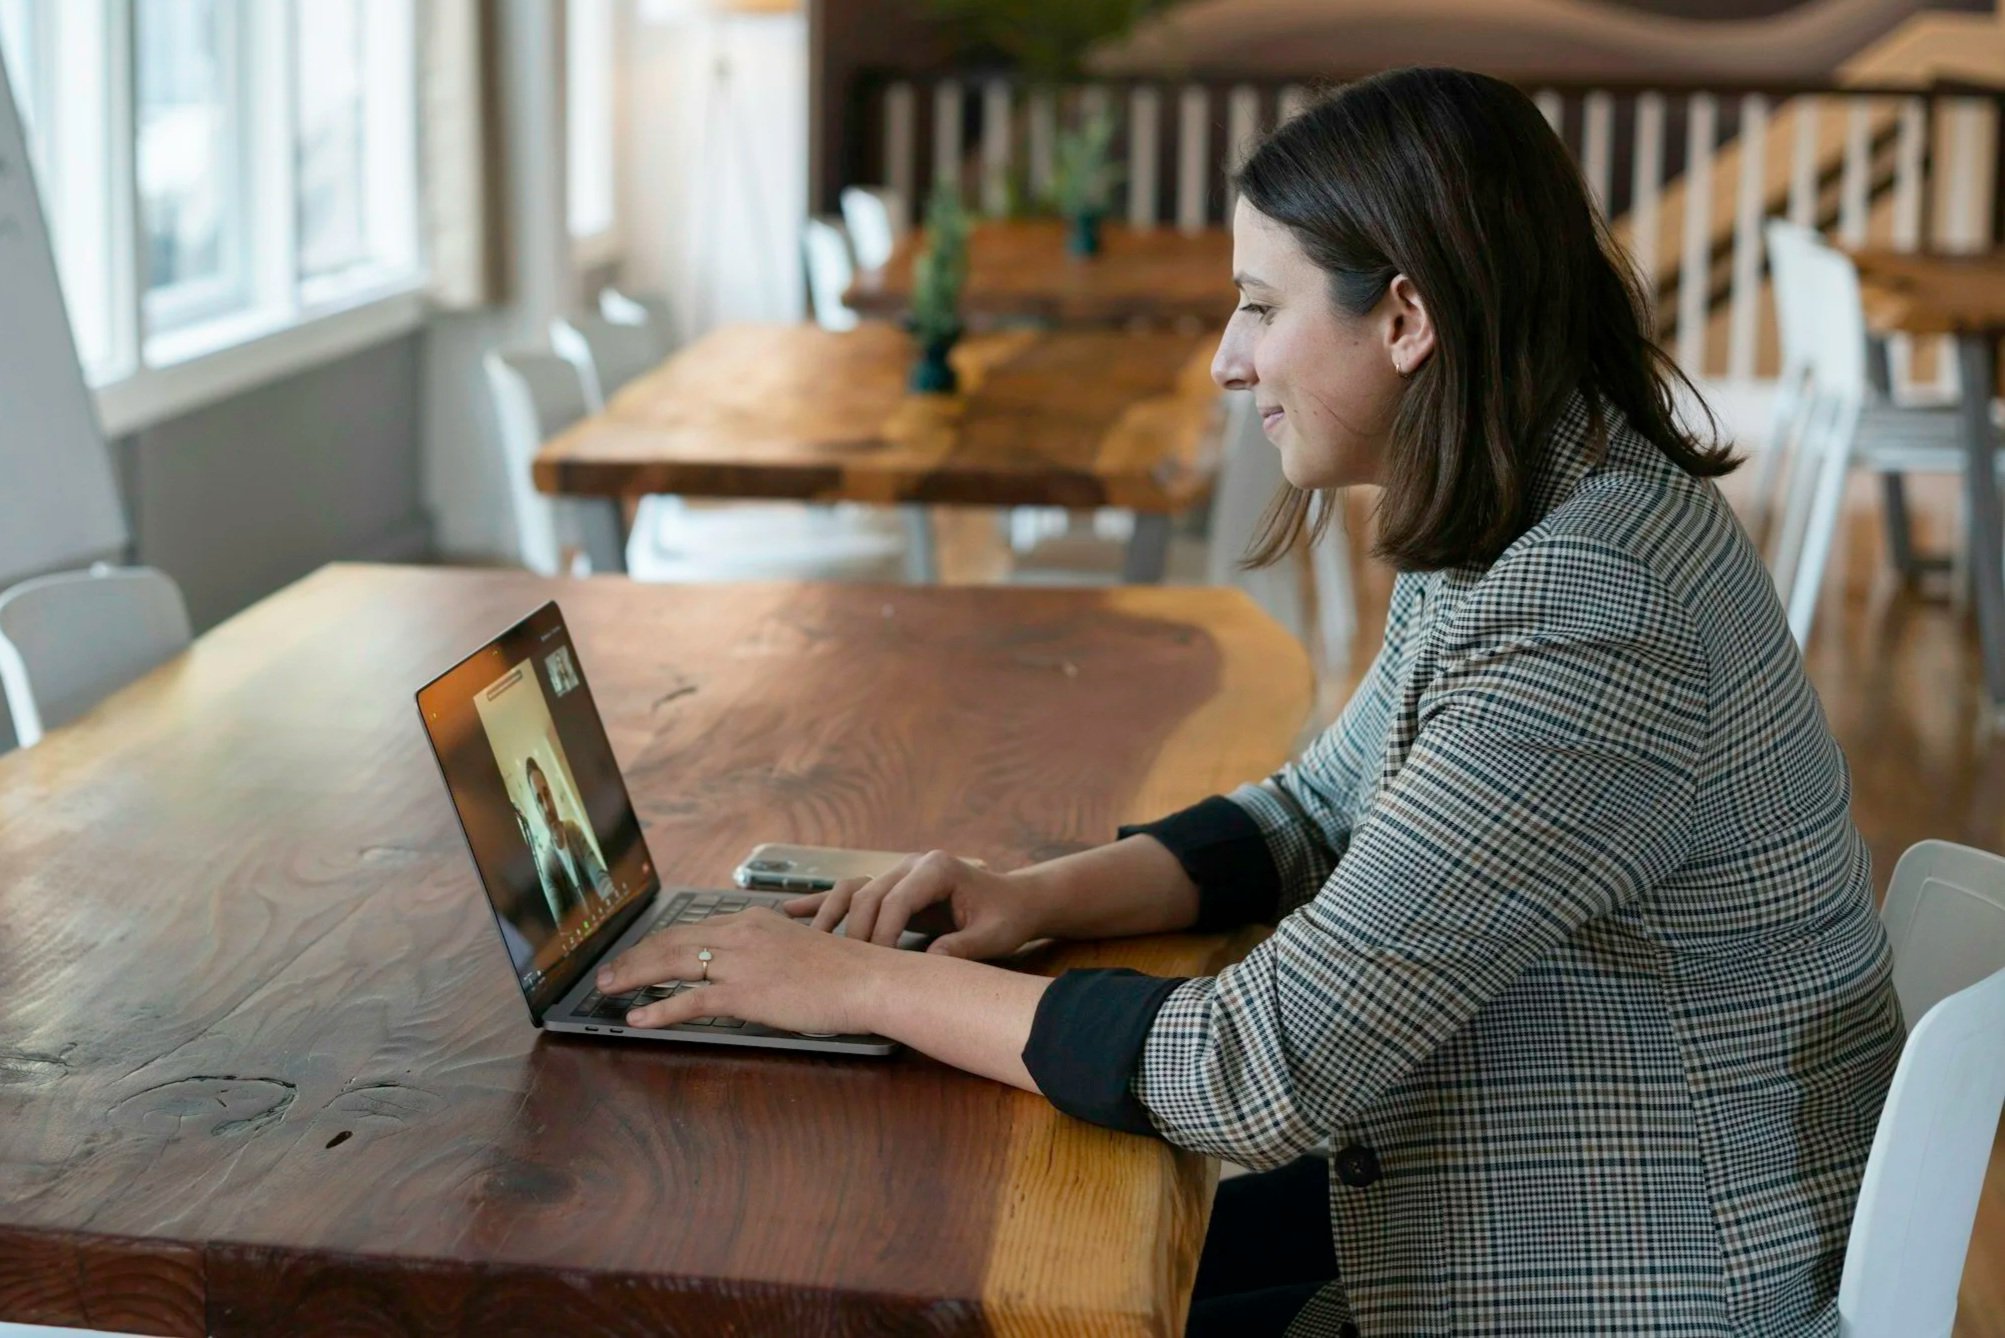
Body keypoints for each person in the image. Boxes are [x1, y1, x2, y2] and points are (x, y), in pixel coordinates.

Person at [596, 67, 1903, 1336]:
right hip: (1537, 1202)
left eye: (1259, 306)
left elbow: (1255, 1068)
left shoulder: (1595, 605)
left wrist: (852, 989)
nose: (1228, 361)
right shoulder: (1542, 504)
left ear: (1404, 318)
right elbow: (1317, 810)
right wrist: (1029, 894)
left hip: (1635, 1279)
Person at [524, 754, 610, 920]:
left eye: (547, 794)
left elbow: (600, 876)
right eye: (539, 800)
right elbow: (562, 927)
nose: (548, 807)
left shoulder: (573, 830)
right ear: (536, 807)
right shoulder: (548, 867)